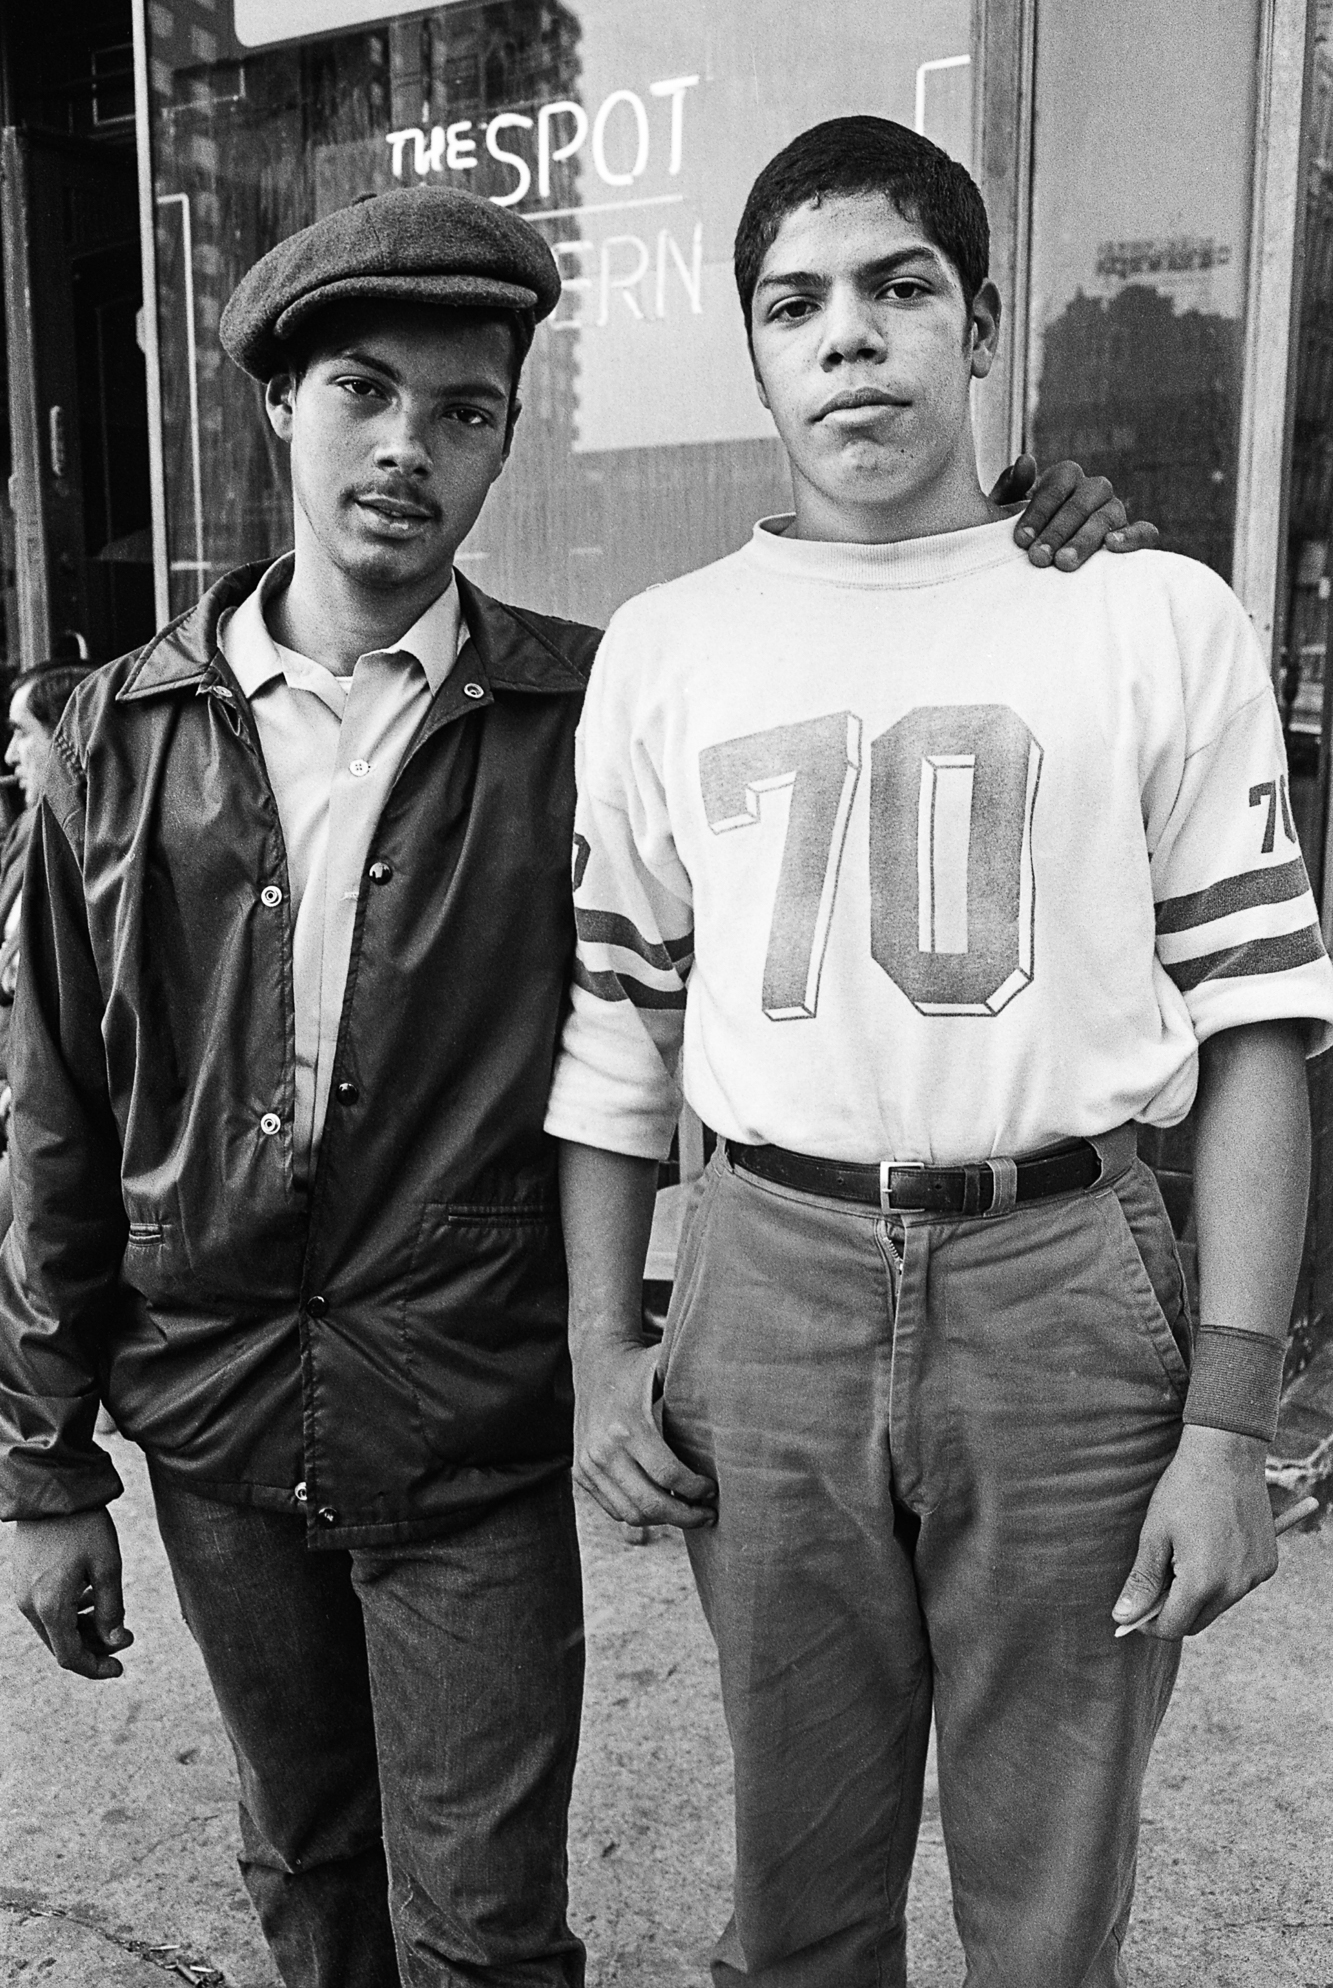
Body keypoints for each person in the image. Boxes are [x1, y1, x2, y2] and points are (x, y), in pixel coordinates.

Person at [0, 182, 1144, 1988]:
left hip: (462, 1414)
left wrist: (1016, 538)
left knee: (481, 1929)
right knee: (303, 1860)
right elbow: (53, 1108)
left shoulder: (584, 713)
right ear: (276, 408)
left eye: (463, 416)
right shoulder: (107, 738)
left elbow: (808, 784)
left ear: (502, 448)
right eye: (364, 393)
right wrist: (43, 1457)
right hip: (211, 1415)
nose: (406, 449)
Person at [547, 116, 1333, 1988]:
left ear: (979, 322)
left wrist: (1226, 1422)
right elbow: (614, 1027)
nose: (848, 338)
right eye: (793, 303)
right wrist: (600, 1348)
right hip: (769, 1275)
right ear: (748, 350)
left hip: (1065, 1278)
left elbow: (1255, 1027)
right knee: (794, 1878)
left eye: (899, 288)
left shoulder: (1145, 613)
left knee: (1044, 1892)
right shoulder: (666, 649)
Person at [0, 664, 89, 1235]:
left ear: (66, 739)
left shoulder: (94, 851)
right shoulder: (25, 834)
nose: (10, 755)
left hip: (45, 1120)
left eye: (22, 731)